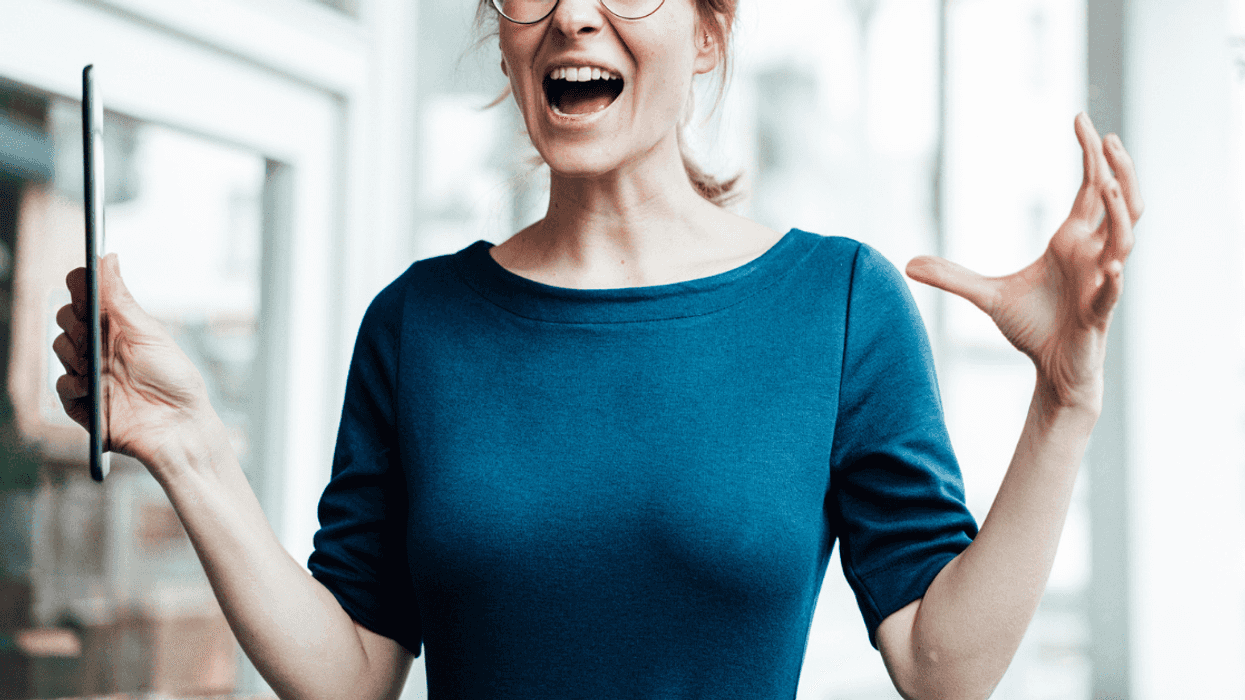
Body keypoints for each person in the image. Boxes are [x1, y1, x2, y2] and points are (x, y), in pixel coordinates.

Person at [52, 0, 1143, 697]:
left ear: (710, 32)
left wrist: (1063, 404)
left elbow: (943, 666)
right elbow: (352, 671)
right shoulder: (418, 323)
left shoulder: (840, 305)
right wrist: (190, 447)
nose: (573, 16)